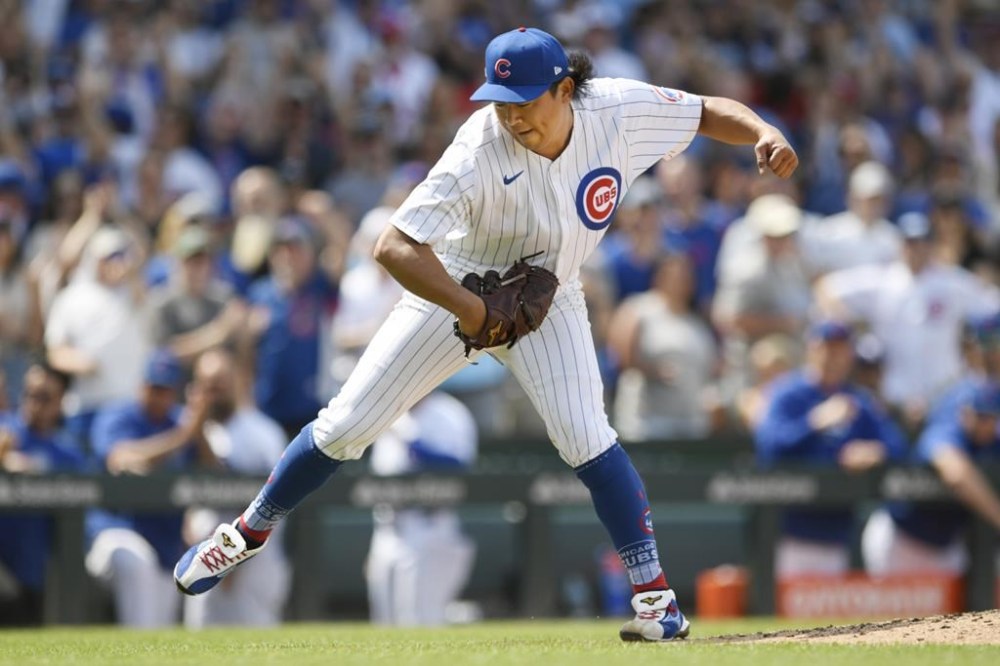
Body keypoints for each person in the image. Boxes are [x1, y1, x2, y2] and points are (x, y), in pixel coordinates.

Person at [174, 26, 799, 642]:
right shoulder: (478, 147)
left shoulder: (616, 108)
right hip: (455, 285)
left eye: (524, 101)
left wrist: (765, 131)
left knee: (588, 437)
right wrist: (471, 312)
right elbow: (394, 247)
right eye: (500, 103)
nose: (511, 117)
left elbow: (706, 111)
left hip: (550, 295)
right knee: (345, 427)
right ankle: (244, 534)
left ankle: (656, 601)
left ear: (566, 88)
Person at [754, 322, 906, 579]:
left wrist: (874, 451)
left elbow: (898, 446)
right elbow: (769, 446)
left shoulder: (858, 400)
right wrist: (815, 421)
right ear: (811, 350)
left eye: (839, 350)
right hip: (791, 532)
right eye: (825, 348)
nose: (831, 357)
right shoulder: (788, 394)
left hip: (839, 533)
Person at [85, 349, 219, 627]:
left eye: (164, 389)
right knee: (136, 562)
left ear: (174, 392)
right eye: (153, 386)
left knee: (159, 630)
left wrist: (199, 427)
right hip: (115, 532)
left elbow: (215, 472)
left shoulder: (180, 420)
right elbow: (120, 459)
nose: (157, 395)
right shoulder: (118, 415)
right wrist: (182, 435)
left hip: (165, 545)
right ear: (141, 384)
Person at [181, 349, 290, 628]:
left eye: (220, 382)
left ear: (238, 381)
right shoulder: (186, 427)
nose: (214, 391)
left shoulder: (263, 432)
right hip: (203, 554)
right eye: (207, 383)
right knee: (200, 646)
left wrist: (235, 558)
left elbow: (277, 500)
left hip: (256, 559)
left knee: (258, 646)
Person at [862, 382, 1000, 576]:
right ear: (964, 412)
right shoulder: (945, 431)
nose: (983, 423)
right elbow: (957, 474)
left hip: (944, 546)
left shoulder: (993, 444)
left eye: (989, 417)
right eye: (978, 415)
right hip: (901, 537)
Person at [365, 390, 478, 626]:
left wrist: (412, 443)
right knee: (385, 624)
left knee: (423, 620)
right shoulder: (389, 414)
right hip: (388, 528)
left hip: (432, 526)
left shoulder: (449, 413)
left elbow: (458, 467)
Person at [0, 363, 85, 625]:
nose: (34, 403)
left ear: (60, 402)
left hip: (35, 569)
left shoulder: (66, 451)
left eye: (44, 397)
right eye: (29, 394)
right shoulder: (6, 429)